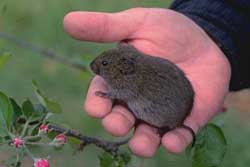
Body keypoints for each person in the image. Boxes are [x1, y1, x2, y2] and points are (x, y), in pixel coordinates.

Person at [63, 0, 250, 157]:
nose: (97, 67)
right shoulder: (134, 68)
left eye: (104, 65)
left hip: (168, 112)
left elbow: (126, 92)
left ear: (125, 69)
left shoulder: (129, 81)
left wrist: (110, 94)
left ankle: (165, 126)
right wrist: (215, 26)